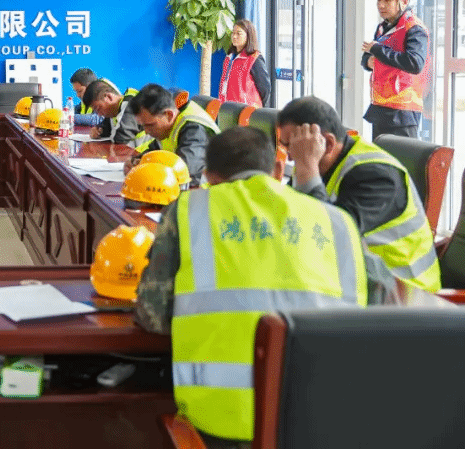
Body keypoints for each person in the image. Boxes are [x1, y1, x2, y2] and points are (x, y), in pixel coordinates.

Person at [134, 127, 397, 449]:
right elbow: (384, 302)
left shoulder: (190, 210)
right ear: (277, 169)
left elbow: (152, 315)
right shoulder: (337, 220)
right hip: (325, 424)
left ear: (209, 177)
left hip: (220, 428)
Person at [278, 95, 440, 292]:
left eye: (293, 146)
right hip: (360, 281)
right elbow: (288, 216)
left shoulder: (377, 177)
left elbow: (328, 237)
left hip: (404, 294)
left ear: (327, 144)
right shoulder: (312, 162)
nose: (290, 156)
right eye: (287, 145)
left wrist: (307, 168)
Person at [361, 0, 430, 138]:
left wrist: (378, 50)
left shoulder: (414, 28)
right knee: (380, 153)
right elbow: (369, 54)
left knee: (403, 153)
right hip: (381, 107)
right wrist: (368, 62)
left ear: (403, 2)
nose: (381, 5)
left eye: (387, 0)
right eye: (379, 0)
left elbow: (415, 63)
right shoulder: (383, 27)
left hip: (403, 111)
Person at [128, 83, 219, 186]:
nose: (146, 131)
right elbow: (156, 150)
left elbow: (185, 174)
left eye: (150, 125)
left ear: (169, 115)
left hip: (208, 191)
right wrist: (136, 161)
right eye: (143, 126)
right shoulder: (167, 126)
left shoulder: (194, 129)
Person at [218, 19, 270, 106]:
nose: (234, 36)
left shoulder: (254, 58)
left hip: (247, 110)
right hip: (227, 108)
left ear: (248, 36)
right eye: (233, 33)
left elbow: (265, 88)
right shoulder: (228, 58)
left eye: (239, 33)